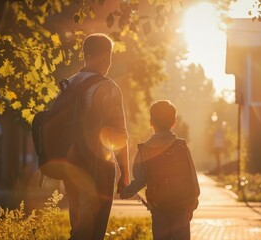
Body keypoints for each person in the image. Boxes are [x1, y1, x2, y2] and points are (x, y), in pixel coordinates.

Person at [63, 33, 130, 240]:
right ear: (107, 56)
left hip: (70, 163)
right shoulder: (107, 88)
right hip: (98, 166)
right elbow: (118, 136)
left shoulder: (68, 85)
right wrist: (125, 173)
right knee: (94, 230)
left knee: (79, 226)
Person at [120, 100, 200, 240]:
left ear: (151, 122)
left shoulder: (144, 151)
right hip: (181, 207)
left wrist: (125, 191)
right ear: (173, 122)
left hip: (159, 208)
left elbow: (139, 181)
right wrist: (193, 203)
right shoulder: (181, 147)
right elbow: (192, 176)